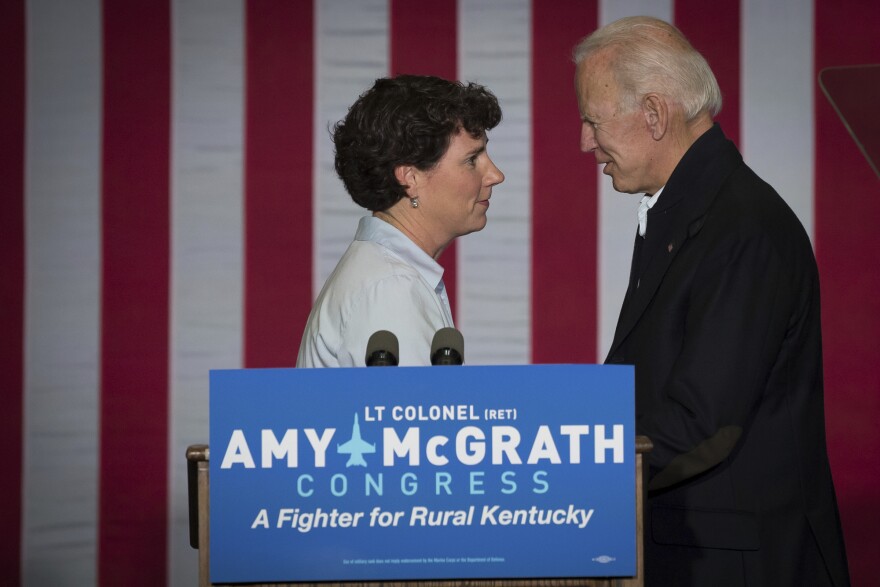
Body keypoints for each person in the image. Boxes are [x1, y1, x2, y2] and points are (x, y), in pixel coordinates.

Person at [573, 16, 850, 586]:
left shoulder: (743, 229)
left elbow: (702, 421)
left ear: (654, 113)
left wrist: (568, 470)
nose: (584, 140)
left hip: (735, 565)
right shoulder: (690, 212)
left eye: (593, 120)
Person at [297, 75, 504, 367]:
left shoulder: (387, 274)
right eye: (472, 159)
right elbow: (421, 413)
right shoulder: (390, 288)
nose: (496, 175)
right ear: (410, 178)